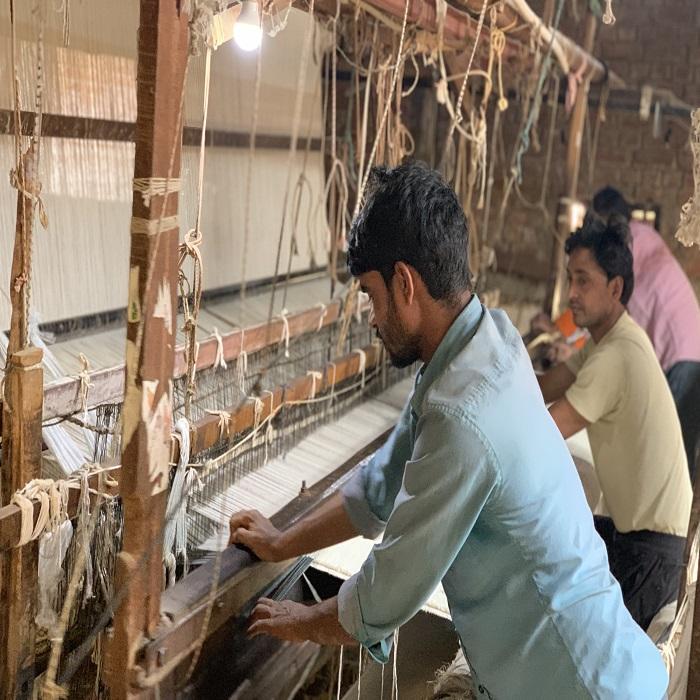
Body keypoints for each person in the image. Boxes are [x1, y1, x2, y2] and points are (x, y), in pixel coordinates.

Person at [229, 163, 668, 699]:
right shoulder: (484, 343)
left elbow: (390, 589)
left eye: (371, 296)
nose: (372, 319)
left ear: (405, 283)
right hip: (585, 662)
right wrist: (281, 542)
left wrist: (299, 622)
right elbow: (380, 486)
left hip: (578, 682)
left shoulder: (462, 415)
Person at [539, 216, 692, 631]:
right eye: (570, 279)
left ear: (615, 288)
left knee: (577, 634)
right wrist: (493, 368)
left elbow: (542, 433)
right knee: (559, 545)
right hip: (641, 539)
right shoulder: (607, 341)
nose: (572, 293)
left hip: (654, 555)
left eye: (583, 281)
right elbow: (542, 388)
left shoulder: (615, 356)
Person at [593, 186, 700, 480]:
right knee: (678, 443)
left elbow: (610, 315)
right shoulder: (643, 236)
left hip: (680, 354)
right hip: (691, 346)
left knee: (669, 445)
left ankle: (672, 505)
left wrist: (567, 335)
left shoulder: (626, 252)